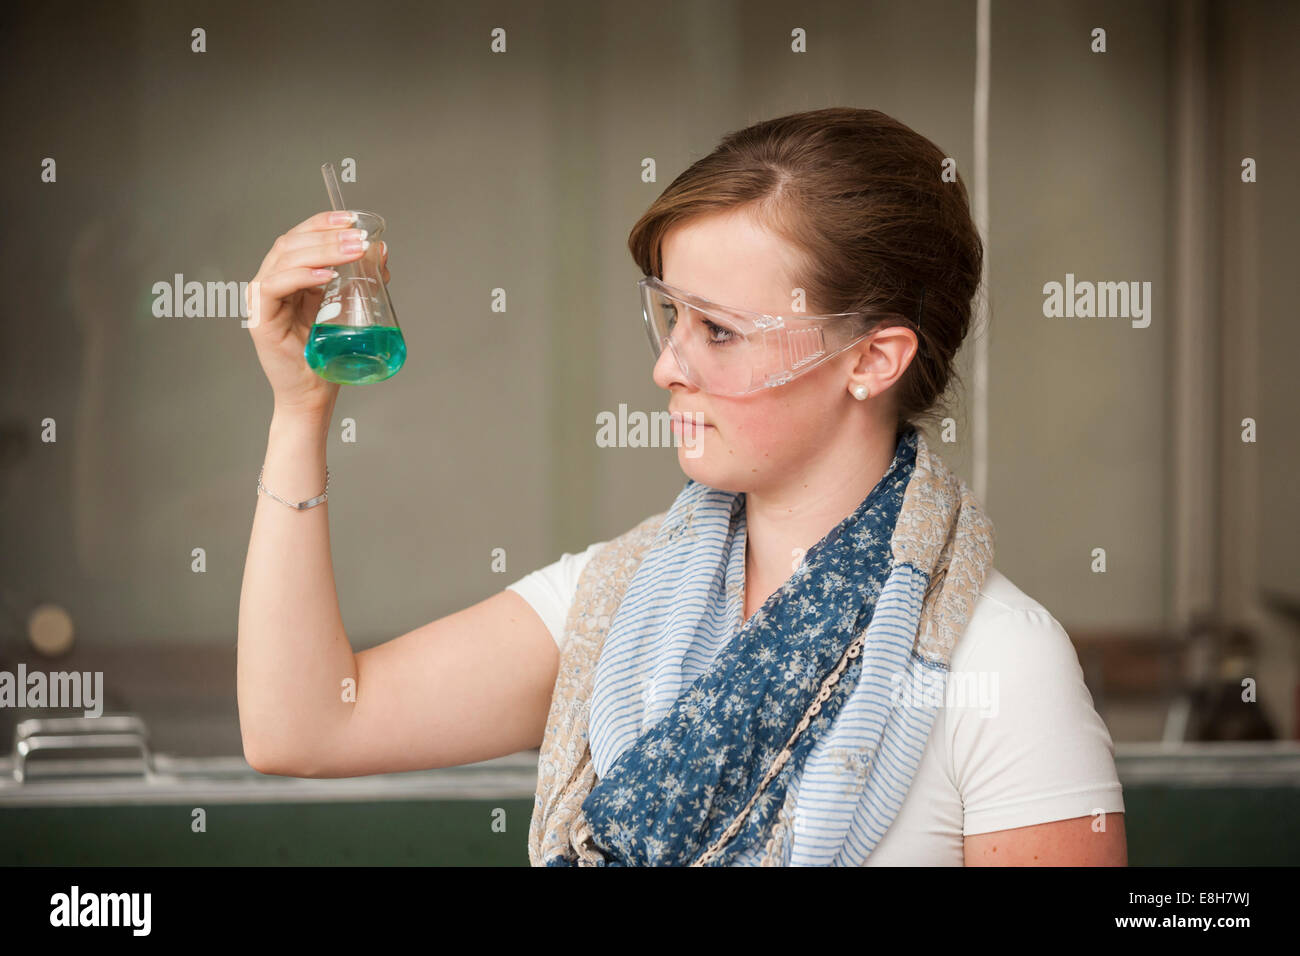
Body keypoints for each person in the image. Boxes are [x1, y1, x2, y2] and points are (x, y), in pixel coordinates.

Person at [238, 107, 1127, 867]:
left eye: (722, 331)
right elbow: (305, 727)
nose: (668, 366)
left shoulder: (1003, 664)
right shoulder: (616, 607)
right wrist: (298, 410)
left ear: (871, 359)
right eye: (670, 314)